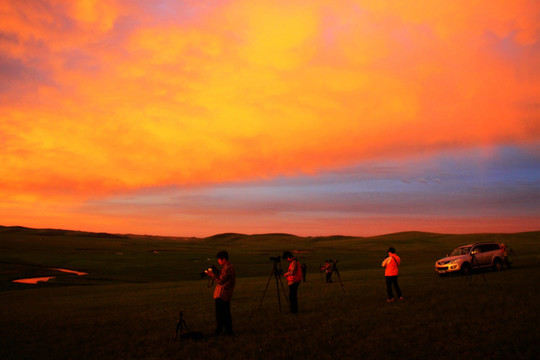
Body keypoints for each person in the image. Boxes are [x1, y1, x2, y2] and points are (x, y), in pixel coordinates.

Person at [206, 250, 236, 335]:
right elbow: (222, 277)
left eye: (219, 259)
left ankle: (220, 330)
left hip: (222, 294)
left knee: (220, 314)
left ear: (223, 259)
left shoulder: (227, 268)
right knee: (226, 313)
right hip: (226, 294)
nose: (218, 261)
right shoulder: (230, 266)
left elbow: (220, 281)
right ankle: (228, 330)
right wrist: (217, 272)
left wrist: (212, 275)